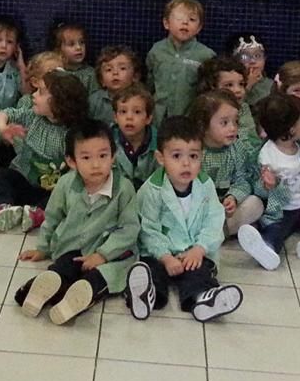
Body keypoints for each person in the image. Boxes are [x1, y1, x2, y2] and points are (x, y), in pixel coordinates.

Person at [16, 120, 139, 324]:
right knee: (63, 267)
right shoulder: (66, 184)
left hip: (111, 253)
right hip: (73, 247)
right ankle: (41, 289)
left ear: (113, 156)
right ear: (72, 161)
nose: (96, 164)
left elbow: (129, 228)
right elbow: (52, 217)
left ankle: (79, 297)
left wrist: (102, 254)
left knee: (102, 277)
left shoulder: (124, 188)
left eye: (103, 156)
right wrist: (43, 248)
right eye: (86, 157)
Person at [126, 116, 243, 322]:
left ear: (202, 157)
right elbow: (147, 230)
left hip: (194, 252)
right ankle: (146, 294)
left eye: (194, 156)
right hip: (161, 253)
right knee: (152, 269)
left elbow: (214, 221)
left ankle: (203, 300)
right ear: (161, 158)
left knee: (199, 274)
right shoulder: (151, 190)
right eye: (177, 156)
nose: (186, 163)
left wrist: (199, 249)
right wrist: (165, 256)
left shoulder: (205, 186)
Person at [236, 93, 300, 271]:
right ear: (291, 129)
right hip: (281, 211)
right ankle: (268, 248)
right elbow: (258, 191)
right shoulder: (265, 155)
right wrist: (268, 185)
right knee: (274, 227)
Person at [0, 69, 88, 231]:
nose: (34, 95)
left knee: (66, 195)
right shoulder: (32, 117)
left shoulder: (74, 134)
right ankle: (3, 209)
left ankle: (38, 215)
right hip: (24, 182)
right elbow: (5, 113)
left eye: (41, 92)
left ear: (59, 102)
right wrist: (3, 128)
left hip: (52, 192)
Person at [190, 90, 262, 236]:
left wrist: (233, 197)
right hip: (198, 207)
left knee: (255, 204)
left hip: (225, 208)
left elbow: (242, 180)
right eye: (224, 123)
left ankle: (219, 232)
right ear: (203, 125)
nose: (233, 128)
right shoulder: (193, 151)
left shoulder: (237, 148)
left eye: (236, 121)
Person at [147, 0, 214, 120]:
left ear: (199, 27)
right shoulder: (156, 51)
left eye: (192, 19)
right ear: (166, 23)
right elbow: (149, 84)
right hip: (158, 118)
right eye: (179, 18)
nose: (185, 23)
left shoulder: (206, 55)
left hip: (189, 120)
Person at [196, 54, 257, 140]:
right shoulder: (205, 110)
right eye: (229, 85)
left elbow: (252, 140)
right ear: (212, 87)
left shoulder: (244, 108)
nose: (238, 90)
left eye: (241, 84)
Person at [111, 84, 157, 186]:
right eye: (123, 111)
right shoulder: (107, 142)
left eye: (137, 112)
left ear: (148, 118)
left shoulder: (160, 144)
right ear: (115, 117)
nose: (129, 117)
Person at [88, 45, 140, 125]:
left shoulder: (141, 100)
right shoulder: (94, 101)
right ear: (102, 80)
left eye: (122, 68)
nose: (115, 73)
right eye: (109, 69)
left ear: (135, 76)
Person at [229, 34, 273, 107]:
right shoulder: (229, 83)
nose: (252, 61)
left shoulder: (272, 86)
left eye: (257, 56)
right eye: (245, 56)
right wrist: (248, 85)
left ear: (265, 58)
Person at [51, 20, 95, 92]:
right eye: (71, 44)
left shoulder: (90, 74)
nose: (78, 47)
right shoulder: (56, 72)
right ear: (59, 50)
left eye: (82, 42)